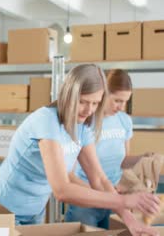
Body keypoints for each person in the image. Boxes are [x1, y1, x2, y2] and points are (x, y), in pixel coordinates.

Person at [0, 64, 160, 236]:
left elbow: (99, 179)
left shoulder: (83, 127)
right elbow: (62, 189)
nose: (89, 110)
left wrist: (129, 219)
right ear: (69, 95)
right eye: (83, 101)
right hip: (6, 208)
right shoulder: (47, 120)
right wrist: (124, 200)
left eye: (95, 103)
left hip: (35, 210)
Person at [65, 69, 155, 229]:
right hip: (87, 201)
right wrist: (102, 195)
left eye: (126, 101)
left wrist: (144, 157)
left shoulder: (124, 121)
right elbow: (69, 176)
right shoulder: (84, 122)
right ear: (103, 94)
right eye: (117, 100)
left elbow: (123, 160)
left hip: (116, 198)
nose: (122, 106)